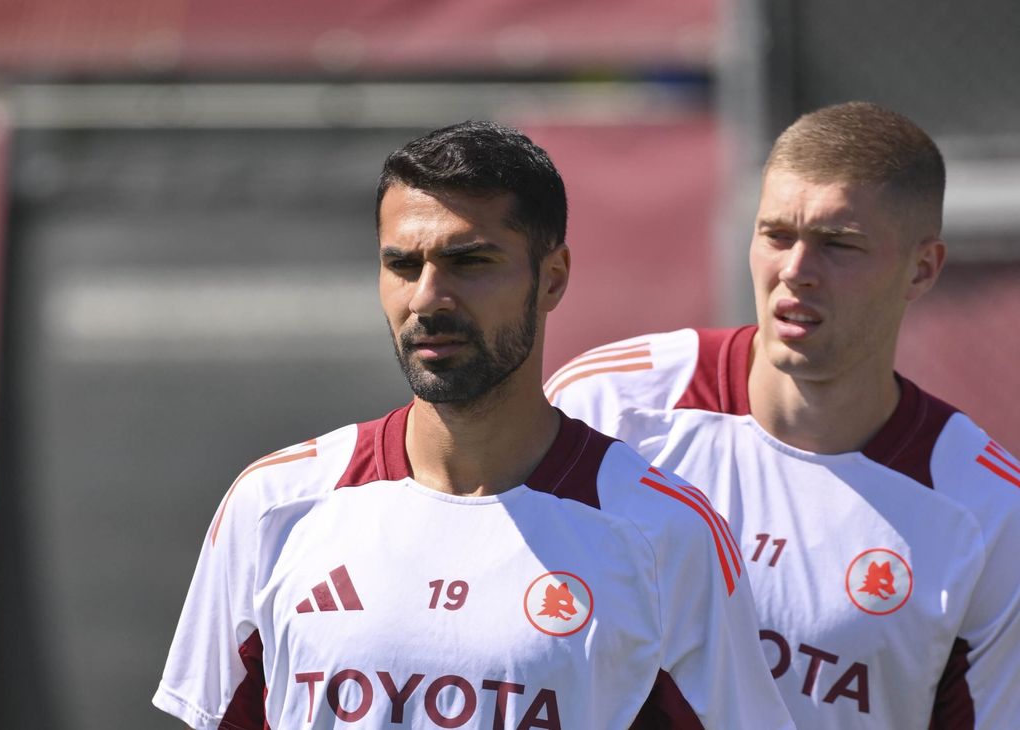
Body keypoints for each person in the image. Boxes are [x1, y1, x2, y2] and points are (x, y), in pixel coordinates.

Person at [152, 121, 793, 729]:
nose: (427, 298)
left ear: (554, 278)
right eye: (403, 265)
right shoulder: (275, 502)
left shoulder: (662, 533)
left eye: (471, 262)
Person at [547, 101, 1020, 729]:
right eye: (776, 235)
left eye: (839, 245)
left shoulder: (987, 511)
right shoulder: (607, 409)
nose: (795, 272)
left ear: (922, 268)